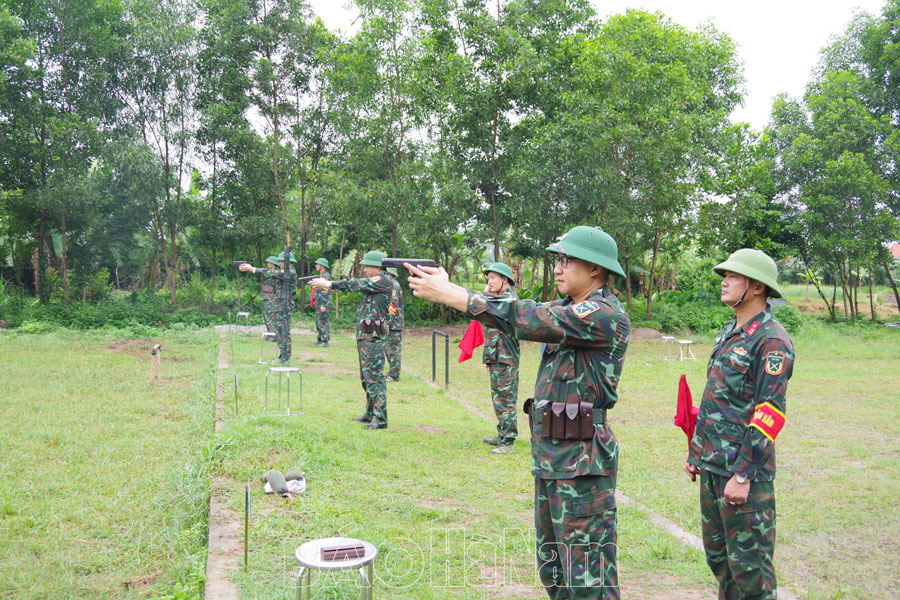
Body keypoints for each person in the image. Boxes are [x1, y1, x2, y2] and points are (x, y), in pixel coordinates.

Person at [407, 226, 630, 599]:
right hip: (555, 457)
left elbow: (527, 317)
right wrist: (455, 289)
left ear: (594, 268)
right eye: (557, 260)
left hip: (582, 464)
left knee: (589, 579)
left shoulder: (603, 313)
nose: (558, 268)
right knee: (554, 570)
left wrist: (456, 296)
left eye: (566, 260)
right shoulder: (569, 308)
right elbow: (520, 312)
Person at [684, 249, 794, 600]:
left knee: (751, 573)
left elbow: (770, 413)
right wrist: (696, 452)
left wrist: (743, 474)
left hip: (743, 475)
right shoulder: (731, 331)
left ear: (757, 286)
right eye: (725, 275)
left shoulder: (771, 339)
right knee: (721, 564)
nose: (724, 281)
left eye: (733, 276)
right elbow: (717, 398)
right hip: (714, 466)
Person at [310, 250, 393, 430]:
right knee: (366, 376)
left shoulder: (382, 280)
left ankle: (380, 418)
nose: (364, 270)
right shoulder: (374, 282)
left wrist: (329, 284)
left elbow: (355, 284)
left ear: (377, 267)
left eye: (367, 266)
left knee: (374, 377)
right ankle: (370, 413)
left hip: (373, 336)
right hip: (366, 334)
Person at [479, 262, 520, 455]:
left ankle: (509, 441)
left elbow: (481, 304)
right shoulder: (499, 299)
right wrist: (489, 358)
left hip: (506, 359)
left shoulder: (508, 299)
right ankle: (502, 434)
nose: (490, 281)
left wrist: (485, 292)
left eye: (493, 278)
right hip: (498, 356)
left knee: (506, 399)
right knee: (498, 398)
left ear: (505, 280)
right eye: (488, 278)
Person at [385, 267, 404, 381]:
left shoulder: (393, 286)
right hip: (393, 324)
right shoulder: (391, 284)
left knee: (393, 350)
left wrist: (387, 323)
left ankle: (394, 375)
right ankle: (392, 373)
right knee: (389, 349)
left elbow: (392, 307)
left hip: (394, 324)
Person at [312, 257, 332, 347]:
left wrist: (323, 304)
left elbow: (325, 291)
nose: (316, 266)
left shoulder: (326, 276)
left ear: (322, 266)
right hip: (319, 303)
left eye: (317, 264)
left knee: (323, 321)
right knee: (319, 321)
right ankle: (320, 339)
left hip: (323, 303)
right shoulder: (322, 276)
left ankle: (325, 340)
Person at [261, 255, 280, 340]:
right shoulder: (271, 272)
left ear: (273, 264)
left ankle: (273, 335)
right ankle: (270, 334)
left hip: (271, 298)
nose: (267, 264)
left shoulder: (275, 272)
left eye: (269, 262)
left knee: (271, 317)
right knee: (267, 316)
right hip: (267, 297)